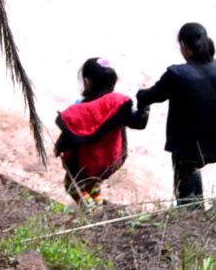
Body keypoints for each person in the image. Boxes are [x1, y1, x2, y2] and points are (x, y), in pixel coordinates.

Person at [134, 22, 216, 205]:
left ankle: (191, 215)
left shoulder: (177, 74)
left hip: (191, 147)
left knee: (187, 185)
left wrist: (140, 96)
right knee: (193, 168)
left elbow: (154, 96)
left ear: (183, 46)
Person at [53, 57, 146, 204]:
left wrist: (58, 147)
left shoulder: (80, 110)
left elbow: (68, 136)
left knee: (72, 187)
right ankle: (98, 204)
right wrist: (144, 105)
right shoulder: (117, 105)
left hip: (84, 163)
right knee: (93, 184)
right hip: (108, 162)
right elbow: (139, 123)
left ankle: (91, 211)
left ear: (88, 82)